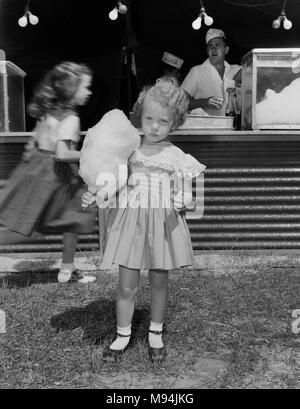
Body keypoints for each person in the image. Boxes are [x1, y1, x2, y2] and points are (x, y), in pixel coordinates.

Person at [82, 78, 206, 365]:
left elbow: (186, 190)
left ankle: (155, 331)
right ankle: (123, 333)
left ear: (175, 122)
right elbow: (114, 179)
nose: (153, 126)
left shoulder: (176, 157)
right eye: (148, 118)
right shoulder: (130, 149)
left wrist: (183, 198)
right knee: (126, 283)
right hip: (131, 221)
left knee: (159, 280)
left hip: (161, 222)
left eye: (162, 121)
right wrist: (97, 194)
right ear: (140, 115)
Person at [0, 61, 97, 284]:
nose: (89, 92)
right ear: (71, 90)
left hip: (39, 168)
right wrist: (89, 153)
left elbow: (33, 140)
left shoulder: (47, 111)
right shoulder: (71, 119)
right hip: (56, 176)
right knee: (34, 226)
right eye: (86, 87)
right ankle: (66, 269)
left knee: (70, 218)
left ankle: (67, 269)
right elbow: (62, 154)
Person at [181, 28, 241, 116]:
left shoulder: (235, 69)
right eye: (210, 46)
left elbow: (252, 68)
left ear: (226, 50)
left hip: (234, 127)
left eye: (217, 45)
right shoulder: (197, 71)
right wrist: (205, 102)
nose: (213, 49)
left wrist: (238, 77)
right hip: (207, 127)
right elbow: (180, 102)